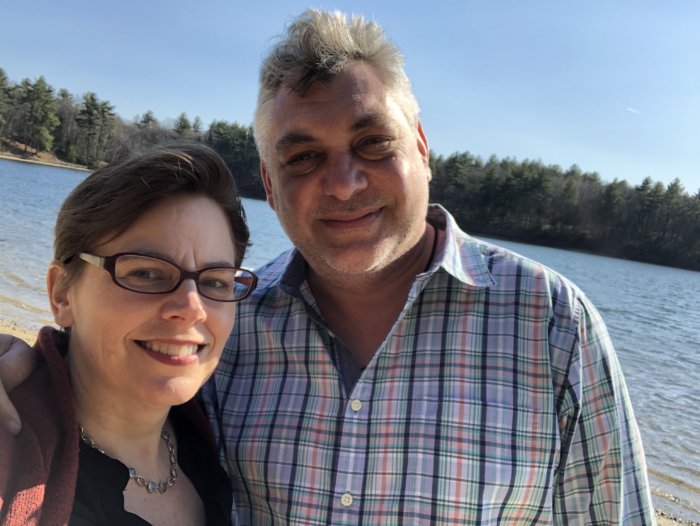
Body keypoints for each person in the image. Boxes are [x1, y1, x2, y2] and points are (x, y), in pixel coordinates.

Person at [0, 9, 655, 525]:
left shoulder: (553, 329)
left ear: (422, 149)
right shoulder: (230, 328)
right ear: (270, 181)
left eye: (372, 143)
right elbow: (105, 390)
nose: (342, 184)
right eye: (304, 158)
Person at [0, 143, 257, 525]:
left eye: (216, 282)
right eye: (146, 273)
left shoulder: (209, 438)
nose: (191, 307)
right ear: (62, 294)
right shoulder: (13, 456)